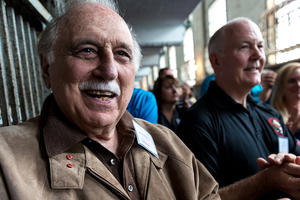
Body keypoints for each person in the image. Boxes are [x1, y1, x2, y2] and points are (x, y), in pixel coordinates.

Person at [0, 0, 220, 199]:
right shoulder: (7, 162)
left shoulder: (165, 141)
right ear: (47, 68)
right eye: (87, 50)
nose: (109, 71)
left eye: (122, 54)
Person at [178, 17, 300, 199]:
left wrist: (290, 164)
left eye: (260, 46)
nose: (258, 55)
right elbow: (200, 197)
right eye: (245, 47)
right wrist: (266, 181)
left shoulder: (269, 113)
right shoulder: (199, 122)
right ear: (216, 60)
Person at [271, 62, 300, 138]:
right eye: (292, 81)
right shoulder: (271, 116)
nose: (298, 85)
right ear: (281, 86)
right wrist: (290, 133)